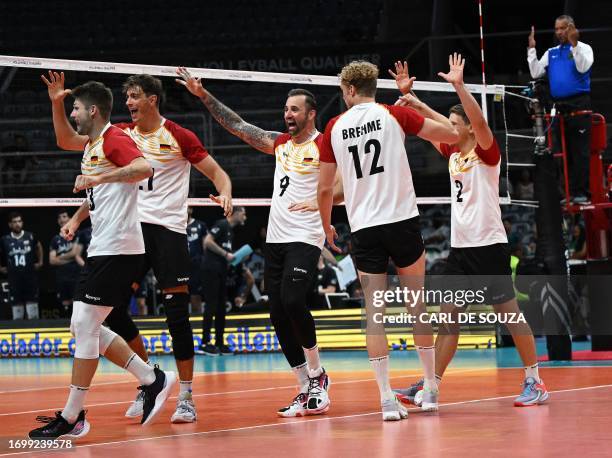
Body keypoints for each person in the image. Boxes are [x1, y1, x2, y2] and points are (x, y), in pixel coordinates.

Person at [41, 71, 233, 424]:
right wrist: (78, 219)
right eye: (125, 97)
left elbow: (217, 172)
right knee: (108, 312)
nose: (128, 102)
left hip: (168, 231)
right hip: (132, 228)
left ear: (152, 100)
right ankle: (149, 381)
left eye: (133, 97)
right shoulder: (118, 135)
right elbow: (83, 161)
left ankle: (186, 395)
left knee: (176, 315)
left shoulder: (178, 135)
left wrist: (225, 192)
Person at [176, 67, 344, 418]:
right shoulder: (281, 143)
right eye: (285, 110)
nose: (288, 115)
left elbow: (343, 188)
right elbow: (238, 126)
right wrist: (203, 95)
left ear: (311, 113)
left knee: (294, 300)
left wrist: (320, 203)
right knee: (277, 312)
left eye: (294, 110)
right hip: (277, 238)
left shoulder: (325, 144)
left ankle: (319, 375)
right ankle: (303, 385)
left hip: (305, 235)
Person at [390, 54, 549, 407]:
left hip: (489, 245)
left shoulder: (486, 152)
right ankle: (430, 384)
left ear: (466, 128)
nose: (447, 125)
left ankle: (534, 380)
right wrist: (414, 101)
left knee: (508, 316)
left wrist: (460, 86)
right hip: (460, 250)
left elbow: (475, 120)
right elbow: (432, 126)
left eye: (453, 122)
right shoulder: (451, 153)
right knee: (447, 319)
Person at [30, 79, 175, 439]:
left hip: (120, 249)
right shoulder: (94, 143)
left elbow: (143, 169)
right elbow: (65, 140)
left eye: (76, 108)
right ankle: (150, 377)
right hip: (103, 247)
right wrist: (56, 103)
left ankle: (72, 415)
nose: (73, 114)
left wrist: (100, 175)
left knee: (83, 324)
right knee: (84, 327)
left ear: (93, 110)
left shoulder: (114, 138)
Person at [317, 60, 459, 421]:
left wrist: (325, 226)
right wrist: (411, 99)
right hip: (401, 221)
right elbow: (452, 136)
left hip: (364, 228)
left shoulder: (333, 126)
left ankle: (384, 398)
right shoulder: (394, 114)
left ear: (350, 89)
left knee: (375, 316)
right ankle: (430, 389)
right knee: (416, 306)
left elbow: (325, 189)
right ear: (373, 86)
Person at [528, 15, 594, 204]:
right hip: (559, 109)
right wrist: (532, 49)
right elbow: (536, 72)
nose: (559, 32)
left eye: (563, 28)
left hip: (579, 106)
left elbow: (582, 68)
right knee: (561, 154)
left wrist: (574, 45)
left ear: (571, 28)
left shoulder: (584, 49)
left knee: (579, 153)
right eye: (556, 29)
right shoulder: (551, 52)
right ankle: (567, 194)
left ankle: (581, 193)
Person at [199, 206, 247, 356]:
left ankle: (219, 342)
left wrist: (235, 257)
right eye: (244, 214)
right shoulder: (221, 224)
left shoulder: (231, 232)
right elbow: (207, 242)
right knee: (211, 305)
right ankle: (205, 343)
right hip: (210, 270)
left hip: (221, 271)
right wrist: (226, 254)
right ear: (237, 213)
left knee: (221, 307)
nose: (245, 217)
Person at [0, 212, 43, 320]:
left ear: (22, 222)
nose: (17, 224)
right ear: (10, 224)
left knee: (32, 309)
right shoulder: (5, 239)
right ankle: (18, 333)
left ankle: (35, 332)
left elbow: (38, 246)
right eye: (14, 222)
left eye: (19, 221)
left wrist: (40, 261)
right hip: (14, 278)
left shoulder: (30, 236)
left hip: (30, 277)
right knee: (17, 310)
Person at [49, 209, 80, 315]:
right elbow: (52, 260)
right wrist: (70, 257)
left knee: (77, 304)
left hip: (76, 275)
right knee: (64, 304)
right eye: (59, 217)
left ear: (70, 218)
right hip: (62, 277)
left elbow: (75, 253)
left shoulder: (77, 235)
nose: (61, 219)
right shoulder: (55, 239)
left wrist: (61, 256)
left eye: (64, 216)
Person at [186, 206, 207, 315]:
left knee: (195, 298)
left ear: (191, 210)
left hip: (196, 266)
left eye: (188, 207)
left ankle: (197, 324)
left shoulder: (200, 225)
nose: (186, 209)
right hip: (180, 266)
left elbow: (205, 246)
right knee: (179, 299)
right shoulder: (174, 224)